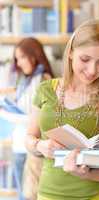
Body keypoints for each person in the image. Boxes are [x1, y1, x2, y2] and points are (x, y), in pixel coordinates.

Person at [25, 20, 99, 200]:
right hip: (48, 194)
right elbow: (29, 137)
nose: (92, 70)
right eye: (85, 59)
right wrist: (39, 145)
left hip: (91, 196)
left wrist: (83, 173)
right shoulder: (45, 90)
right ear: (70, 53)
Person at [1, 37, 53, 200]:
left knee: (31, 195)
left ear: (34, 55)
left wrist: (14, 116)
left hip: (33, 147)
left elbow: (43, 118)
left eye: (22, 57)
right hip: (18, 143)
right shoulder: (23, 80)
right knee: (21, 195)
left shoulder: (45, 79)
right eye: (17, 59)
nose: (19, 62)